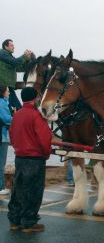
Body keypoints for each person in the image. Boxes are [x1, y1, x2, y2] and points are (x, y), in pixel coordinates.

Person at [8, 87, 52, 233]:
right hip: (35, 158)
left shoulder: (17, 114)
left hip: (20, 157)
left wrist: (18, 148)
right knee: (33, 190)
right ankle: (29, 222)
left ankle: (15, 221)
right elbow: (44, 139)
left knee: (18, 189)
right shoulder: (36, 115)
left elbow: (12, 135)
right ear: (36, 98)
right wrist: (46, 154)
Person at [0, 39, 33, 110]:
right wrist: (25, 56)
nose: (13, 47)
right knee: (14, 108)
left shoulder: (8, 56)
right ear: (6, 46)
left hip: (8, 88)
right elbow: (15, 62)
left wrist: (28, 60)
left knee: (17, 108)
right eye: (11, 45)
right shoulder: (2, 53)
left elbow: (18, 68)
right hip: (3, 87)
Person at [0, 85, 12, 195]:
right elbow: (7, 119)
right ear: (3, 92)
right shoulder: (2, 103)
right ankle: (1, 187)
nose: (9, 93)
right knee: (1, 162)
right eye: (8, 91)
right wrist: (16, 118)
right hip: (2, 136)